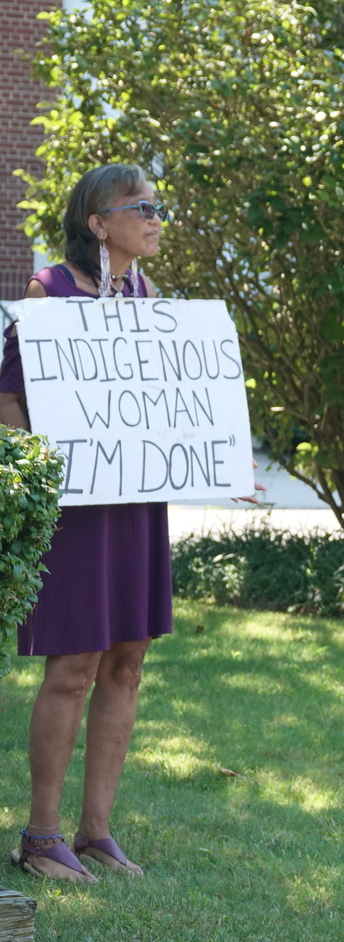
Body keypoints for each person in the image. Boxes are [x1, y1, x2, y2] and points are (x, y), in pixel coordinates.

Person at [2, 164, 174, 881]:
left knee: (127, 661)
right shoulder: (50, 292)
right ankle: (42, 838)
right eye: (140, 206)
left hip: (135, 501)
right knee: (72, 665)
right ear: (98, 224)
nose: (155, 215)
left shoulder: (149, 295)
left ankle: (96, 831)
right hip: (73, 507)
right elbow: (9, 402)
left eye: (158, 205)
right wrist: (34, 482)